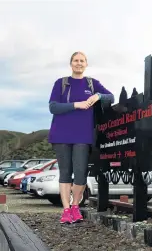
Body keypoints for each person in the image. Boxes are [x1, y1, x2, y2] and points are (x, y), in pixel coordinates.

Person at [48, 51, 114, 224]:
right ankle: (66, 210)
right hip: (61, 134)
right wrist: (77, 105)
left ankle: (75, 205)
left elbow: (111, 97)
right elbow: (53, 107)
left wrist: (98, 96)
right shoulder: (61, 83)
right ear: (71, 64)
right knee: (65, 173)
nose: (79, 63)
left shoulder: (92, 84)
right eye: (76, 60)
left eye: (82, 61)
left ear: (86, 64)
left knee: (80, 173)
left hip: (83, 135)